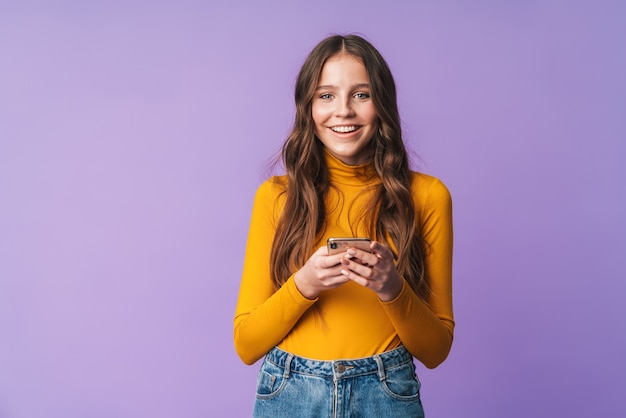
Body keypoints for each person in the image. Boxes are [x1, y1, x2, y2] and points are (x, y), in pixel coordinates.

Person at [234, 34, 454, 418]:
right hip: (290, 391)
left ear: (382, 104)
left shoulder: (428, 196)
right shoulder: (275, 196)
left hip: (387, 392)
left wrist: (391, 287)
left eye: (361, 95)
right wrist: (306, 284)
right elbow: (246, 344)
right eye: (327, 95)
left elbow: (436, 351)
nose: (344, 111)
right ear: (308, 107)